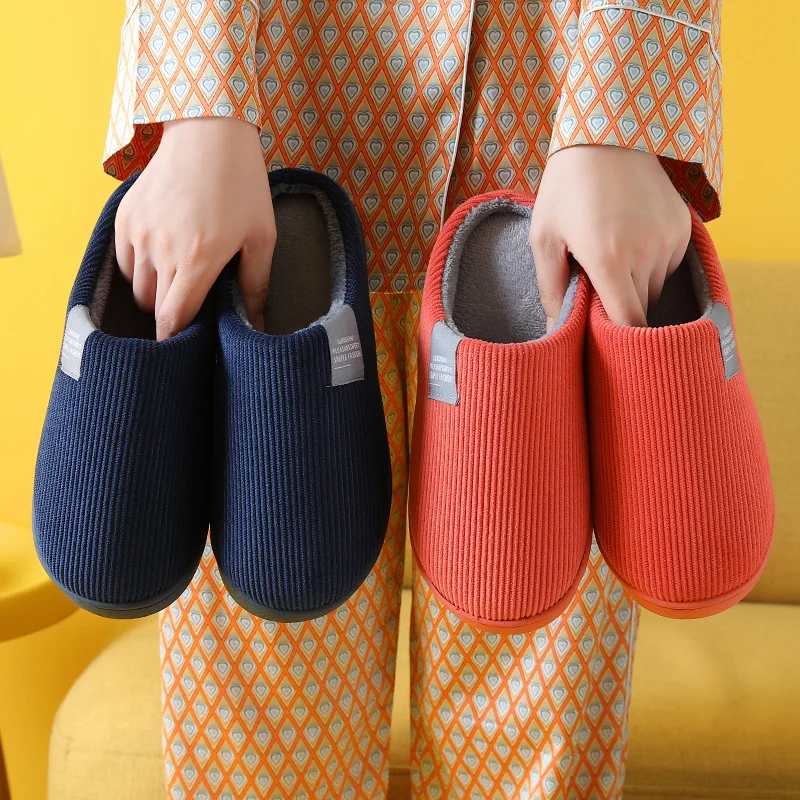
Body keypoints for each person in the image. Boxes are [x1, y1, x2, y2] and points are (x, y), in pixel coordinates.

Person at [103, 0, 721, 796]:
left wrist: (621, 104)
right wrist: (197, 96)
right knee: (267, 706)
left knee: (526, 646)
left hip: (557, 185)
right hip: (259, 179)